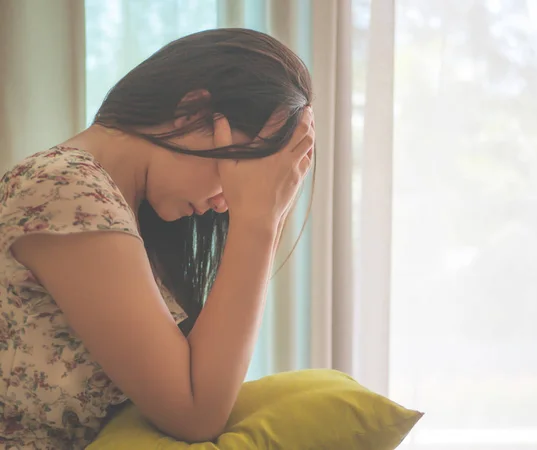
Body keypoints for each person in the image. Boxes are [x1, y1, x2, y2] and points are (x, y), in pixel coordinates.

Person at [0, 28, 314, 449]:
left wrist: (266, 217)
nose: (227, 203)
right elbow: (195, 413)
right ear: (191, 111)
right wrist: (260, 219)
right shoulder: (65, 188)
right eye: (241, 170)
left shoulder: (124, 213)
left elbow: (200, 385)